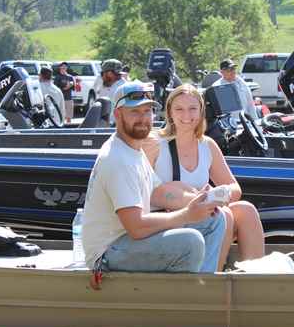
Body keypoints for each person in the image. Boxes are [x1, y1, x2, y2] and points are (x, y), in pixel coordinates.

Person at [81, 80, 227, 273]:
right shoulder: (117, 159)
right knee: (190, 242)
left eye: (147, 111)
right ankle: (190, 290)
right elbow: (136, 227)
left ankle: (203, 286)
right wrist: (186, 215)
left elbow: (158, 193)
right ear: (118, 114)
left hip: (129, 241)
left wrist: (200, 202)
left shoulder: (134, 150)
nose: (143, 118)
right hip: (108, 252)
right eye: (134, 112)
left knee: (214, 220)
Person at [143, 83, 265, 268]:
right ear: (169, 113)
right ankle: (212, 278)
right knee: (223, 215)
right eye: (179, 109)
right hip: (166, 219)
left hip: (202, 213)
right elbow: (144, 190)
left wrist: (218, 194)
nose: (186, 115)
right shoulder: (155, 143)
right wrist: (193, 199)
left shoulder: (207, 145)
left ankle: (256, 279)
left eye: (192, 109)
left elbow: (234, 188)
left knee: (246, 210)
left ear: (201, 111)